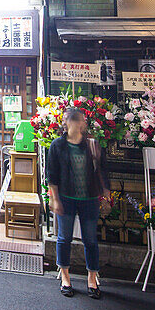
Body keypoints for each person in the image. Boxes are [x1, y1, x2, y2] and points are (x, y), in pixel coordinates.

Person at [46, 106, 110, 299]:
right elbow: (52, 175)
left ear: (83, 124)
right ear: (65, 124)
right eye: (72, 121)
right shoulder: (57, 145)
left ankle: (92, 277)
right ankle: (65, 276)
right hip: (66, 197)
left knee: (90, 239)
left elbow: (103, 172)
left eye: (78, 121)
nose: (75, 125)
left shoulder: (92, 145)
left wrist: (107, 196)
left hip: (89, 198)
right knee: (64, 238)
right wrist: (54, 198)